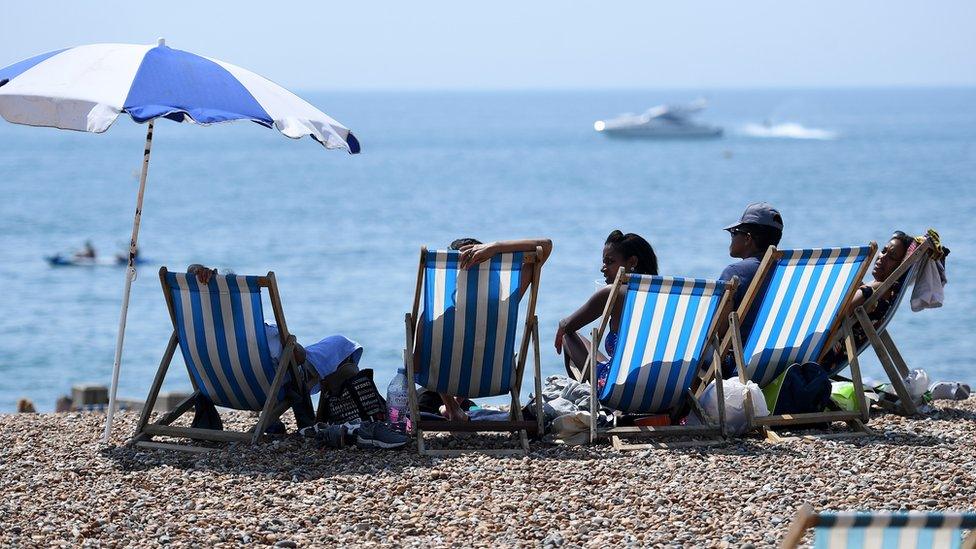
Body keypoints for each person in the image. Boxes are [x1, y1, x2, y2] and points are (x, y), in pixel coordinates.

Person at [185, 264, 406, 448]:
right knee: (342, 344)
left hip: (221, 389)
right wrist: (291, 341)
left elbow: (190, 274)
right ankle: (343, 414)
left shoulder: (196, 330)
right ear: (239, 304)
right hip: (273, 387)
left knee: (328, 355)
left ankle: (298, 419)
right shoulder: (261, 332)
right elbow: (298, 357)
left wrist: (195, 270)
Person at [421, 238, 553, 422]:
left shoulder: (443, 319)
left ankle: (452, 408)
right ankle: (457, 404)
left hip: (444, 379)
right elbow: (546, 246)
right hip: (496, 381)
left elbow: (420, 360)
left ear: (455, 278)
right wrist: (495, 248)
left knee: (425, 327)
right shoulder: (505, 305)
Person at [556, 230, 658, 391]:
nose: (603, 269)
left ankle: (581, 399)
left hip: (621, 390)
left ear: (632, 262)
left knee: (568, 337)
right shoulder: (663, 297)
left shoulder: (613, 293)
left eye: (609, 261)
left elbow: (567, 326)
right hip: (663, 390)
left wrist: (562, 325)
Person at [718, 202, 784, 309]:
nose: (731, 237)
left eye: (734, 232)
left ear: (748, 238)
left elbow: (717, 323)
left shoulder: (735, 273)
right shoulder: (787, 272)